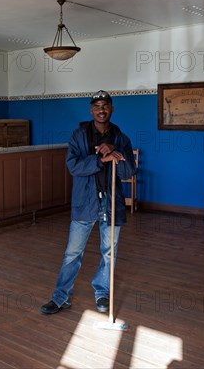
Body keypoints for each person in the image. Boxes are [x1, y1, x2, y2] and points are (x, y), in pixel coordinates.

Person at [41, 90, 136, 315]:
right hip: (85, 202)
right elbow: (73, 166)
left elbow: (128, 171)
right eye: (97, 106)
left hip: (111, 202)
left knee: (109, 253)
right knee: (73, 253)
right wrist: (100, 159)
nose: (101, 110)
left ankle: (102, 292)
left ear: (111, 109)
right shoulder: (79, 136)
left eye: (105, 106)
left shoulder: (120, 137)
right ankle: (61, 296)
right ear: (91, 110)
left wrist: (116, 152)